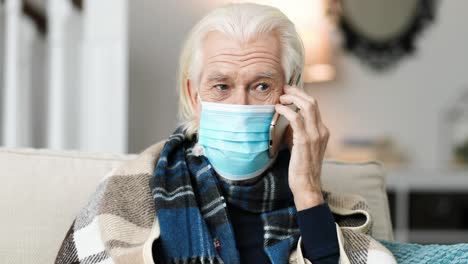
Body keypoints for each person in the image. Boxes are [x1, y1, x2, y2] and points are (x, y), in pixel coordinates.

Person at [55, 3, 396, 264]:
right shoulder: (131, 189)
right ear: (194, 96)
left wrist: (307, 192)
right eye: (221, 85)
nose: (240, 104)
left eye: (262, 85)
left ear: (291, 95)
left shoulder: (322, 206)